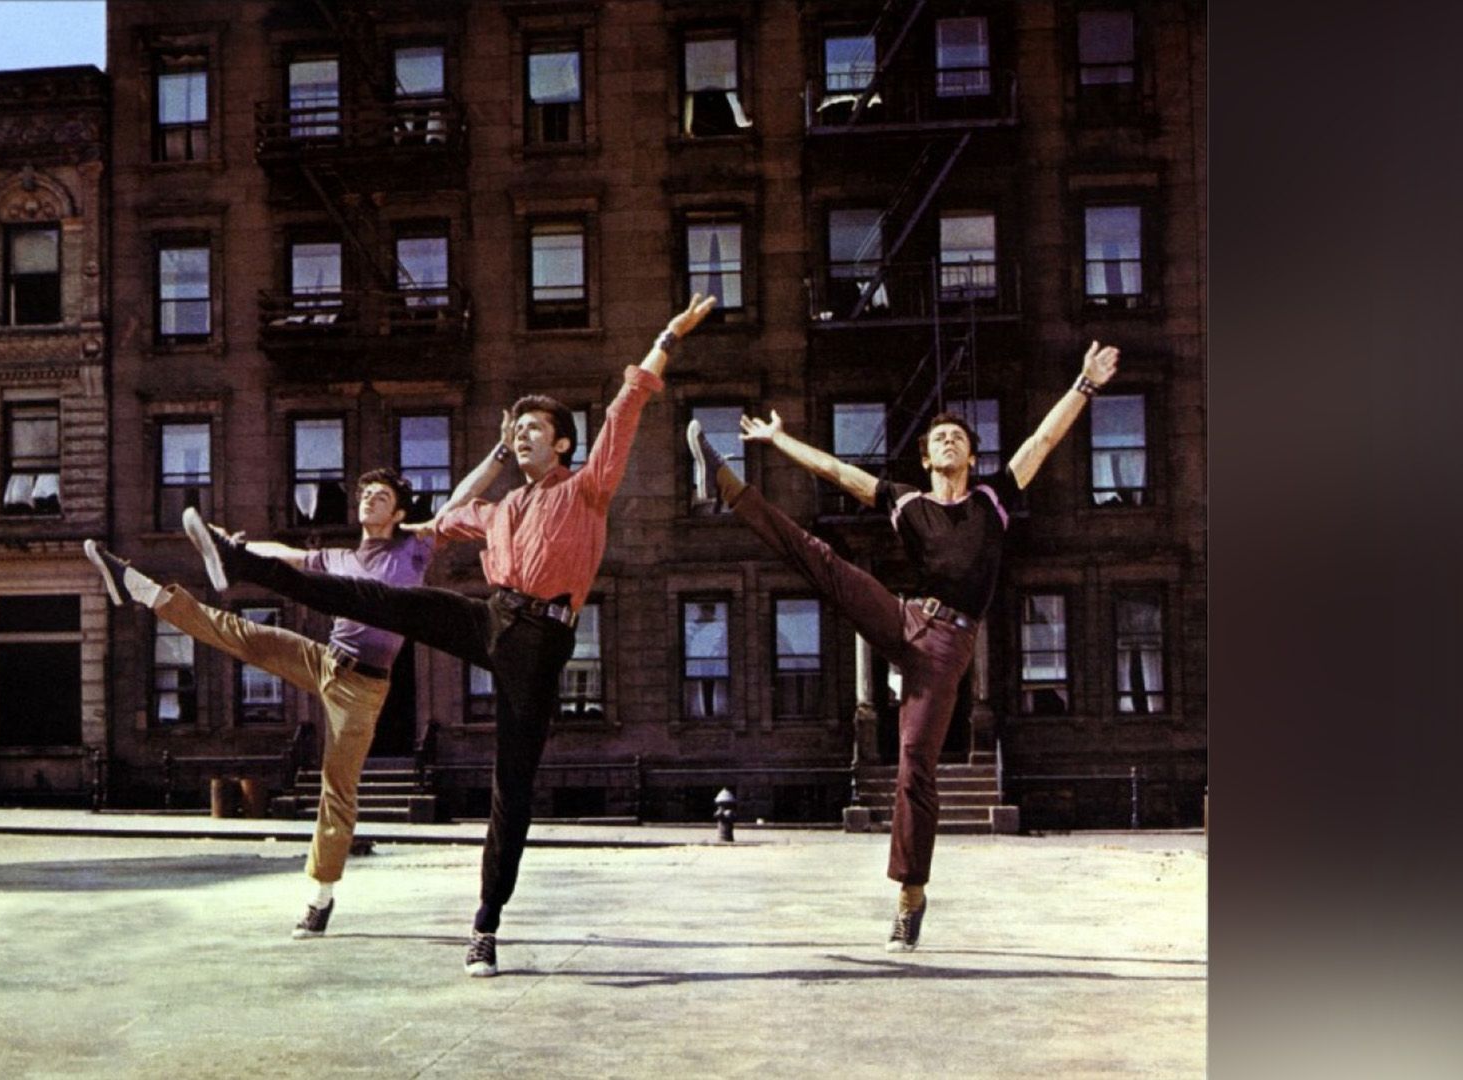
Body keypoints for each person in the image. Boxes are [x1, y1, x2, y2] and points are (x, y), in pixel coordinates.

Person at [179, 295, 720, 976]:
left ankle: (486, 926)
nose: (523, 435)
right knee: (372, 595)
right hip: (490, 617)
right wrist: (266, 545)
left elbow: (626, 405)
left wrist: (668, 335)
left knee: (511, 790)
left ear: (562, 443)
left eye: (534, 428)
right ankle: (239, 564)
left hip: (541, 643)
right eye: (516, 428)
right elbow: (445, 516)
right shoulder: (498, 511)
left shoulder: (587, 489)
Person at [685, 341, 1121, 952]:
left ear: (972, 454)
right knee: (823, 562)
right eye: (938, 437)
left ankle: (910, 895)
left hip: (947, 646)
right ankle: (729, 484)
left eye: (957, 438)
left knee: (916, 762)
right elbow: (837, 472)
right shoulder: (906, 502)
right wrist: (779, 441)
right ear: (925, 456)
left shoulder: (993, 499)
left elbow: (1042, 443)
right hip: (905, 616)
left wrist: (1084, 384)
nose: (947, 442)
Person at [82, 464, 490, 940]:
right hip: (326, 661)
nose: (369, 501)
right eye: (365, 495)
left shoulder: (413, 548)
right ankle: (140, 587)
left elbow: (460, 498)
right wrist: (239, 548)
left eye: (380, 497)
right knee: (242, 634)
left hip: (363, 688)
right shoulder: (338, 558)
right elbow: (287, 556)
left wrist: (500, 455)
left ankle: (320, 898)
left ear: (399, 512)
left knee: (337, 789)